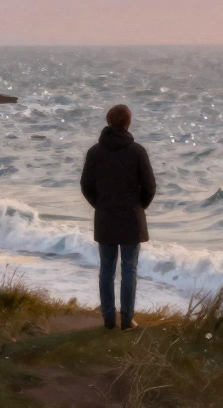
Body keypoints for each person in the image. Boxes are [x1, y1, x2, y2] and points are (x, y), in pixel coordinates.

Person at [80, 104, 156, 331]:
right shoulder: (137, 151)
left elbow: (86, 185)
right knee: (129, 269)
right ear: (128, 123)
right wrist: (139, 206)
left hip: (105, 216)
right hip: (131, 217)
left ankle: (108, 319)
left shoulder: (95, 152)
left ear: (109, 121)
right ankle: (127, 320)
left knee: (106, 269)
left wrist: (99, 204)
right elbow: (150, 186)